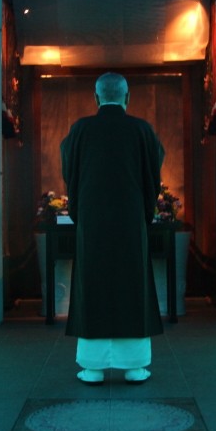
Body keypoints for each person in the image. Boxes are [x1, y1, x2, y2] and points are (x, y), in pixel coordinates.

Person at [60, 72, 165, 384]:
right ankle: (135, 365)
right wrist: (143, 214)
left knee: (94, 287)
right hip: (131, 223)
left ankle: (92, 366)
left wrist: (81, 214)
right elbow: (152, 180)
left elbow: (71, 176)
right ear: (127, 96)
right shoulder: (142, 130)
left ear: (96, 97)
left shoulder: (80, 130)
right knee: (131, 287)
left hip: (92, 224)